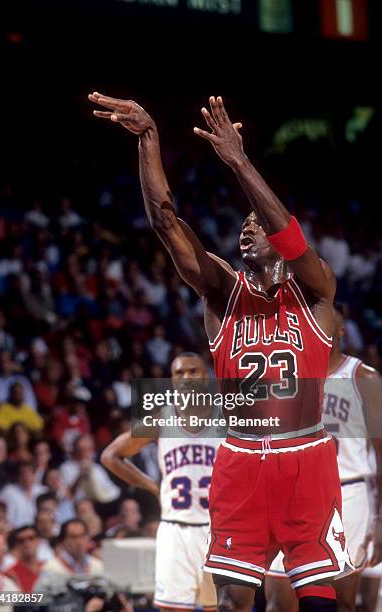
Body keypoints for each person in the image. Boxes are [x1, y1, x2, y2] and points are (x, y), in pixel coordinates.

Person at [89, 92, 354, 611]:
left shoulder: (318, 293)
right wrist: (149, 140)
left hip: (306, 458)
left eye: (259, 221)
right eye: (243, 223)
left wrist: (239, 161)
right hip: (240, 462)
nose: (247, 225)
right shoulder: (222, 294)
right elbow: (167, 224)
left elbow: (292, 237)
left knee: (321, 601)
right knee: (232, 602)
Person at [265, 304, 382, 611]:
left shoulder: (363, 378)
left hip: (348, 495)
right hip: (292, 494)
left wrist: (381, 520)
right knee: (279, 600)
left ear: (341, 331)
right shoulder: (286, 375)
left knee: (342, 601)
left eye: (329, 325)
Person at [101, 353, 221, 612]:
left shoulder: (227, 418)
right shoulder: (161, 419)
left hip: (217, 529)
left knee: (220, 608)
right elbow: (110, 456)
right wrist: (152, 486)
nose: (186, 378)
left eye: (193, 371)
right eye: (179, 373)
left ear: (206, 377)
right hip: (175, 528)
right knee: (172, 608)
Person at [34, 519, 103, 592]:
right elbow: (38, 597)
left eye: (82, 536)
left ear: (88, 538)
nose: (79, 542)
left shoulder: (98, 566)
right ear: (63, 541)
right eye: (73, 537)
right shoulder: (50, 568)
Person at [5, 525, 43, 592]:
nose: (27, 543)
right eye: (21, 541)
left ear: (39, 541)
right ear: (16, 545)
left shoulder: (48, 567)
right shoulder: (10, 575)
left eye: (31, 538)